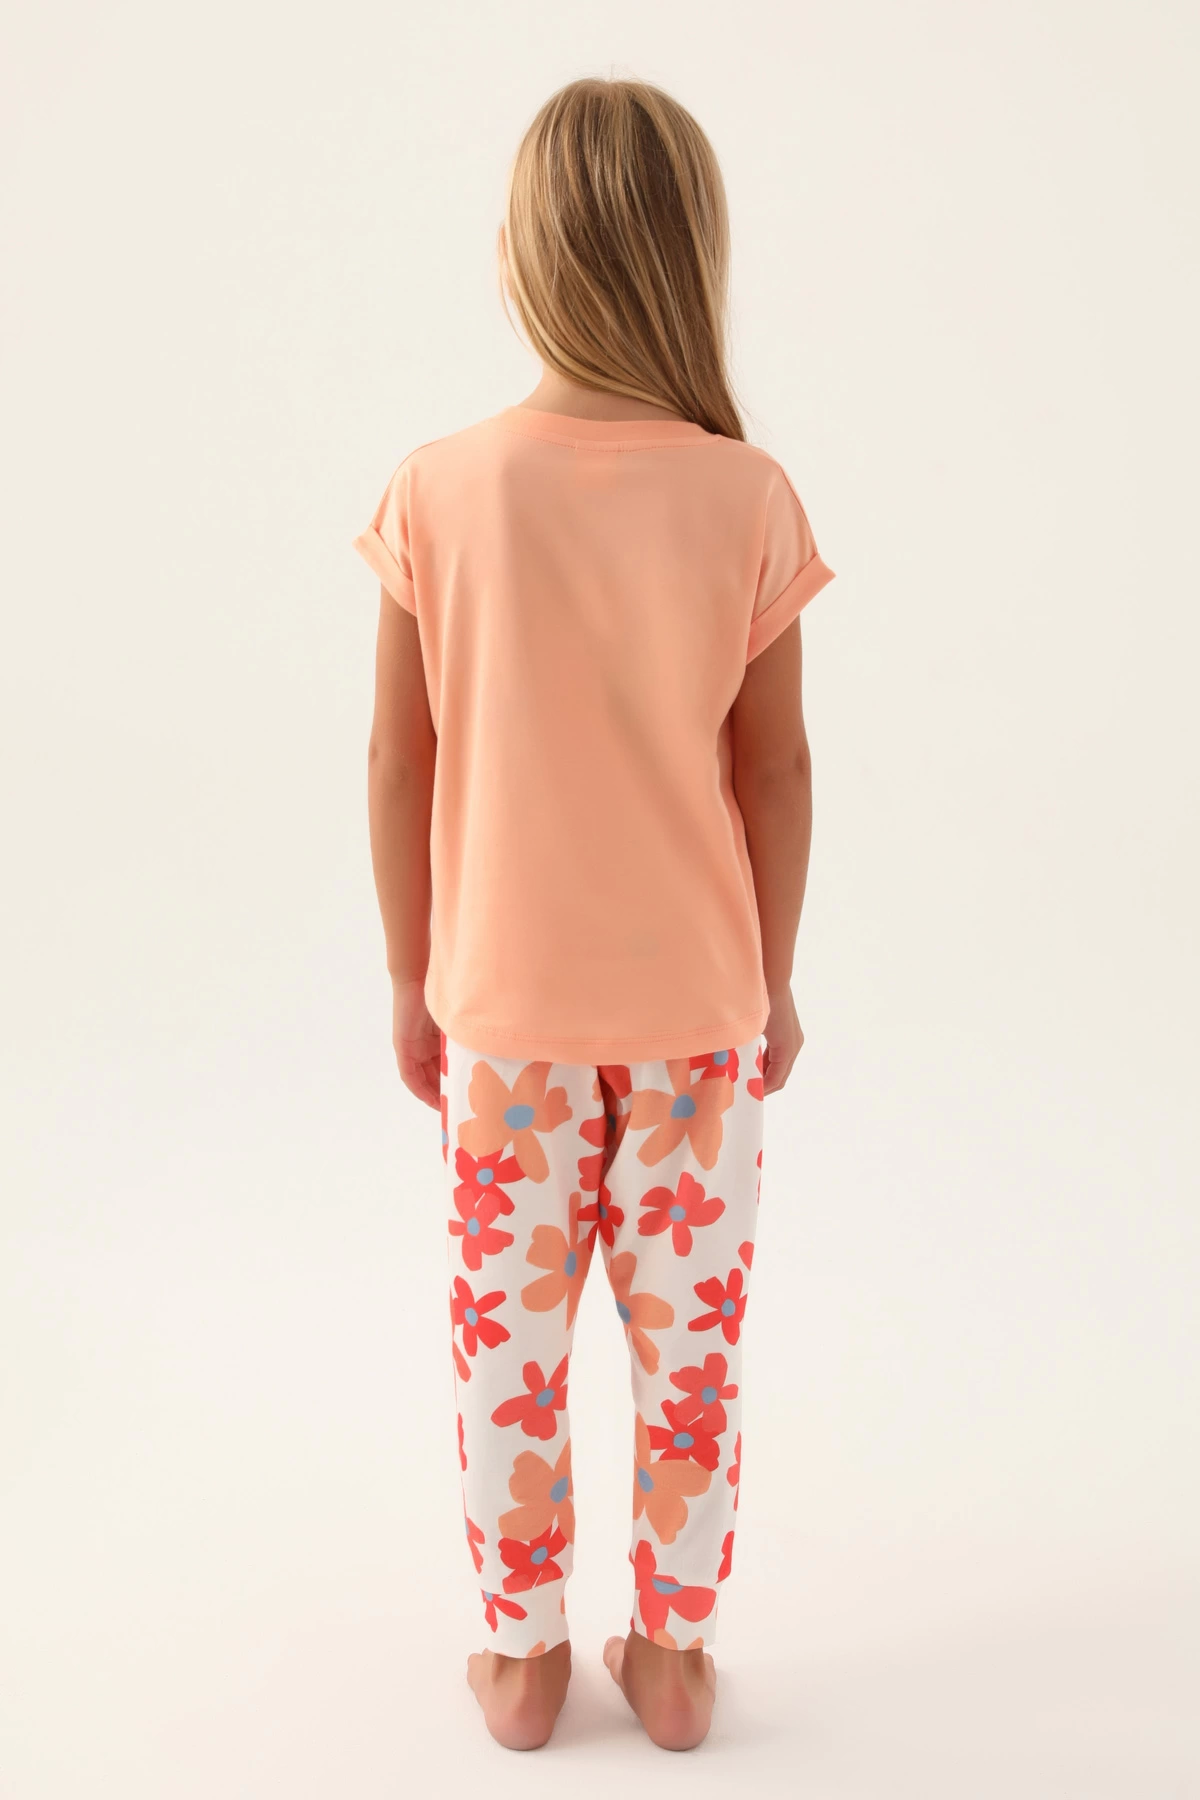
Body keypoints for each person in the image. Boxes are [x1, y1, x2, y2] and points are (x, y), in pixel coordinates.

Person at [354, 76, 835, 1753]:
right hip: (698, 1017)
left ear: (523, 254)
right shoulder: (749, 494)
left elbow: (398, 759)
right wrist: (773, 980)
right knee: (690, 1351)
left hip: (504, 1018)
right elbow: (775, 772)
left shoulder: (440, 489)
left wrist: (411, 974)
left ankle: (522, 1656)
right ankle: (677, 1654)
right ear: (691, 255)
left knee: (511, 1343)